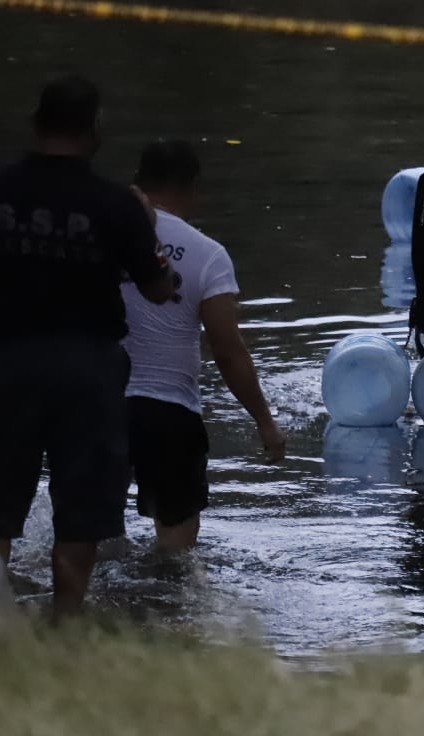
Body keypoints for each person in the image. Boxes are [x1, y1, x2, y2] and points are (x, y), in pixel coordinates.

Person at [0, 74, 176, 618]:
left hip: (14, 359)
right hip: (89, 366)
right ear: (95, 129)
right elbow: (157, 289)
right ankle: (67, 617)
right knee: (84, 501)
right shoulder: (115, 206)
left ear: (36, 123)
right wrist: (148, 234)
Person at [122, 139, 286, 552]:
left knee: (89, 531)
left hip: (99, 403)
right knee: (175, 549)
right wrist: (265, 422)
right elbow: (227, 352)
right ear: (192, 188)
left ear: (138, 182)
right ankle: (166, 610)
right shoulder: (208, 255)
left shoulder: (101, 237)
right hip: (169, 414)